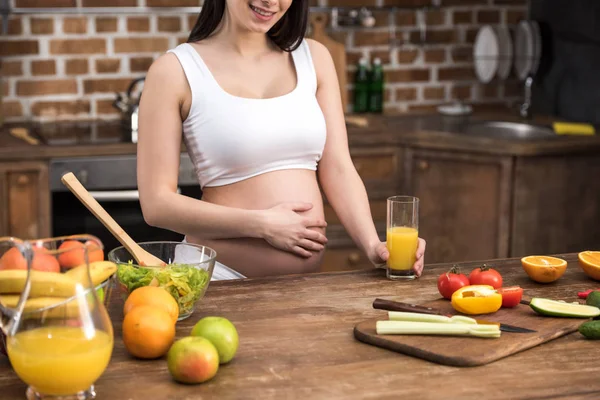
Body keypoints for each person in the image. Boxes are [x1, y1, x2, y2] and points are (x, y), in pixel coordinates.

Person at [136, 0, 426, 280]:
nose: (270, 1)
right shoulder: (175, 71)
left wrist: (374, 246)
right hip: (217, 281)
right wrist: (261, 225)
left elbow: (337, 166)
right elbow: (156, 205)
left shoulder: (314, 58)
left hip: (298, 293)